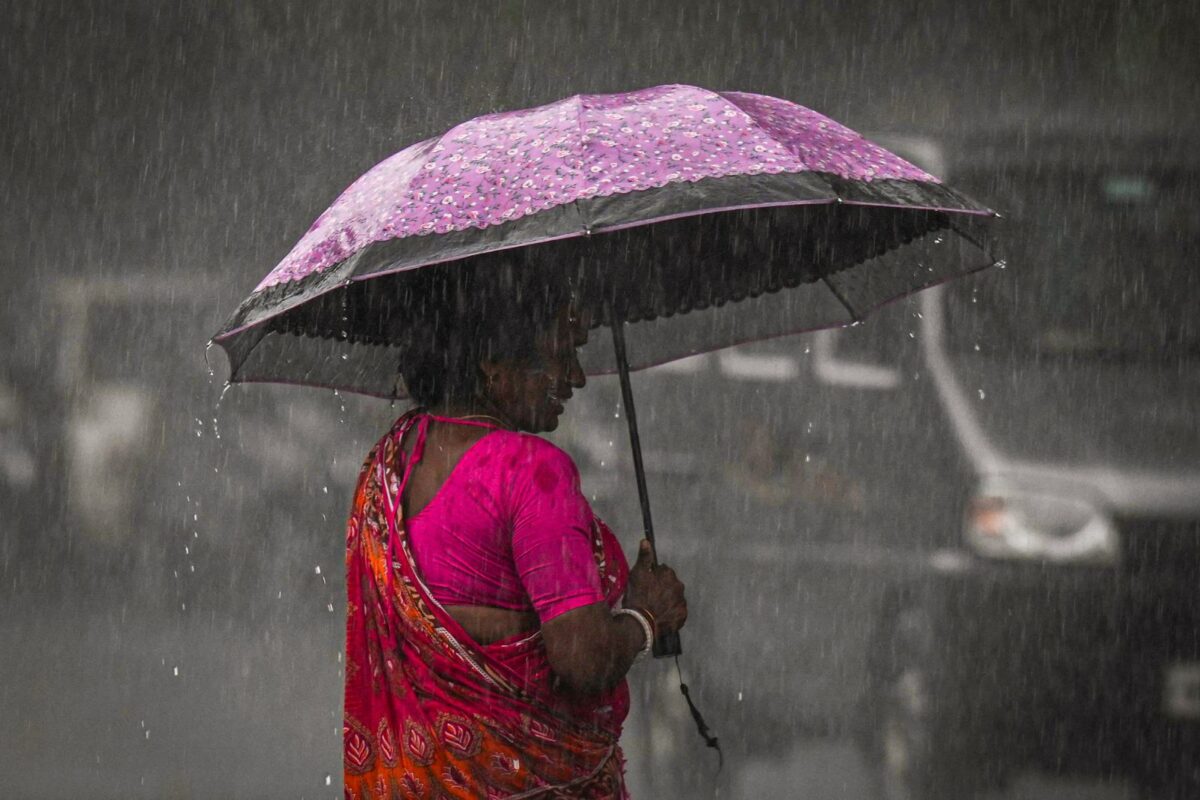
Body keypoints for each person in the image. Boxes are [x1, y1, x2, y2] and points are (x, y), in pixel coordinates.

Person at [343, 271, 688, 800]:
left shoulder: (393, 461)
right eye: (559, 356)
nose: (576, 377)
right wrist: (646, 618)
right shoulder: (530, 473)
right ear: (494, 369)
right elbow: (582, 659)